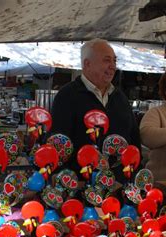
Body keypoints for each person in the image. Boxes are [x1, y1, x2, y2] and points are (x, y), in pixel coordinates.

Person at [50, 39, 140, 177]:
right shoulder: (68, 96)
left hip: (118, 185)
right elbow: (57, 143)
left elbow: (134, 139)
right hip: (80, 185)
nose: (112, 66)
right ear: (87, 64)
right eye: (107, 60)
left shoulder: (119, 97)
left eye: (114, 61)